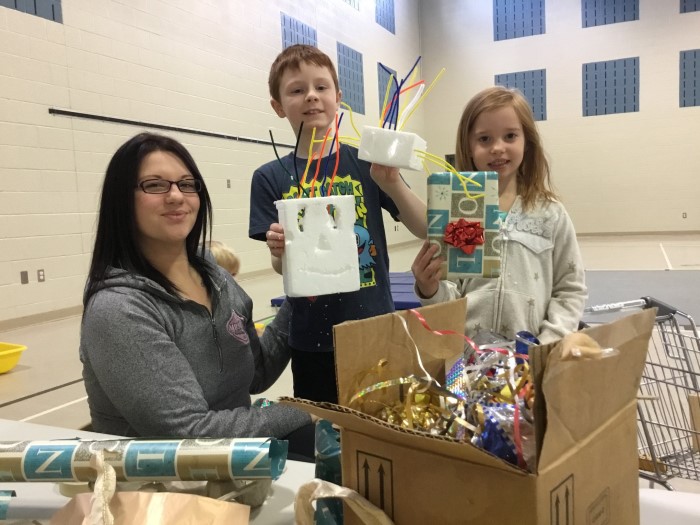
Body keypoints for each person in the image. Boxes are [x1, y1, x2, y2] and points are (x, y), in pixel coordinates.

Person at [80, 132, 315, 460]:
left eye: (187, 184)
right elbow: (186, 432)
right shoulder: (119, 308)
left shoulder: (215, 276)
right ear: (122, 199)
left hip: (235, 463)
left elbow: (256, 374)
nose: (176, 196)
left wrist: (302, 293)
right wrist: (304, 412)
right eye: (155, 185)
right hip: (158, 490)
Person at [249, 44, 427, 403]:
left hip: (374, 326)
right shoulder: (269, 176)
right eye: (297, 90)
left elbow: (425, 227)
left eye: (321, 87)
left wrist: (391, 181)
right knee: (325, 436)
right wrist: (280, 250)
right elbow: (280, 265)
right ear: (278, 106)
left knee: (382, 426)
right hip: (312, 336)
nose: (311, 96)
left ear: (338, 97)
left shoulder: (366, 162)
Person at [411, 86, 587, 344]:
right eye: (484, 139)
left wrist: (547, 344)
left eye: (510, 136)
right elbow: (450, 296)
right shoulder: (460, 211)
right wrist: (430, 289)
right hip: (467, 359)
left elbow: (570, 289)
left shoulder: (551, 214)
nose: (497, 148)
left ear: (527, 142)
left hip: (530, 359)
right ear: (468, 146)